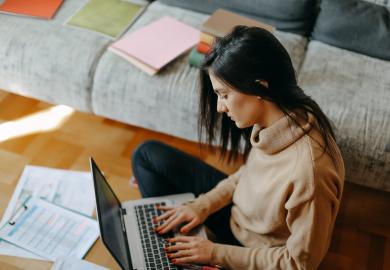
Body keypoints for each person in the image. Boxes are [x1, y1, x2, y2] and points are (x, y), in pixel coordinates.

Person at [131, 26, 345, 270]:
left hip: (257, 252)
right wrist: (202, 205)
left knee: (162, 228)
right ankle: (175, 244)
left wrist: (215, 253)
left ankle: (170, 255)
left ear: (260, 87)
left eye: (223, 95)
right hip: (241, 216)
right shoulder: (282, 118)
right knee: (146, 155)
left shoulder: (311, 172)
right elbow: (250, 175)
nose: (220, 108)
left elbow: (299, 263)